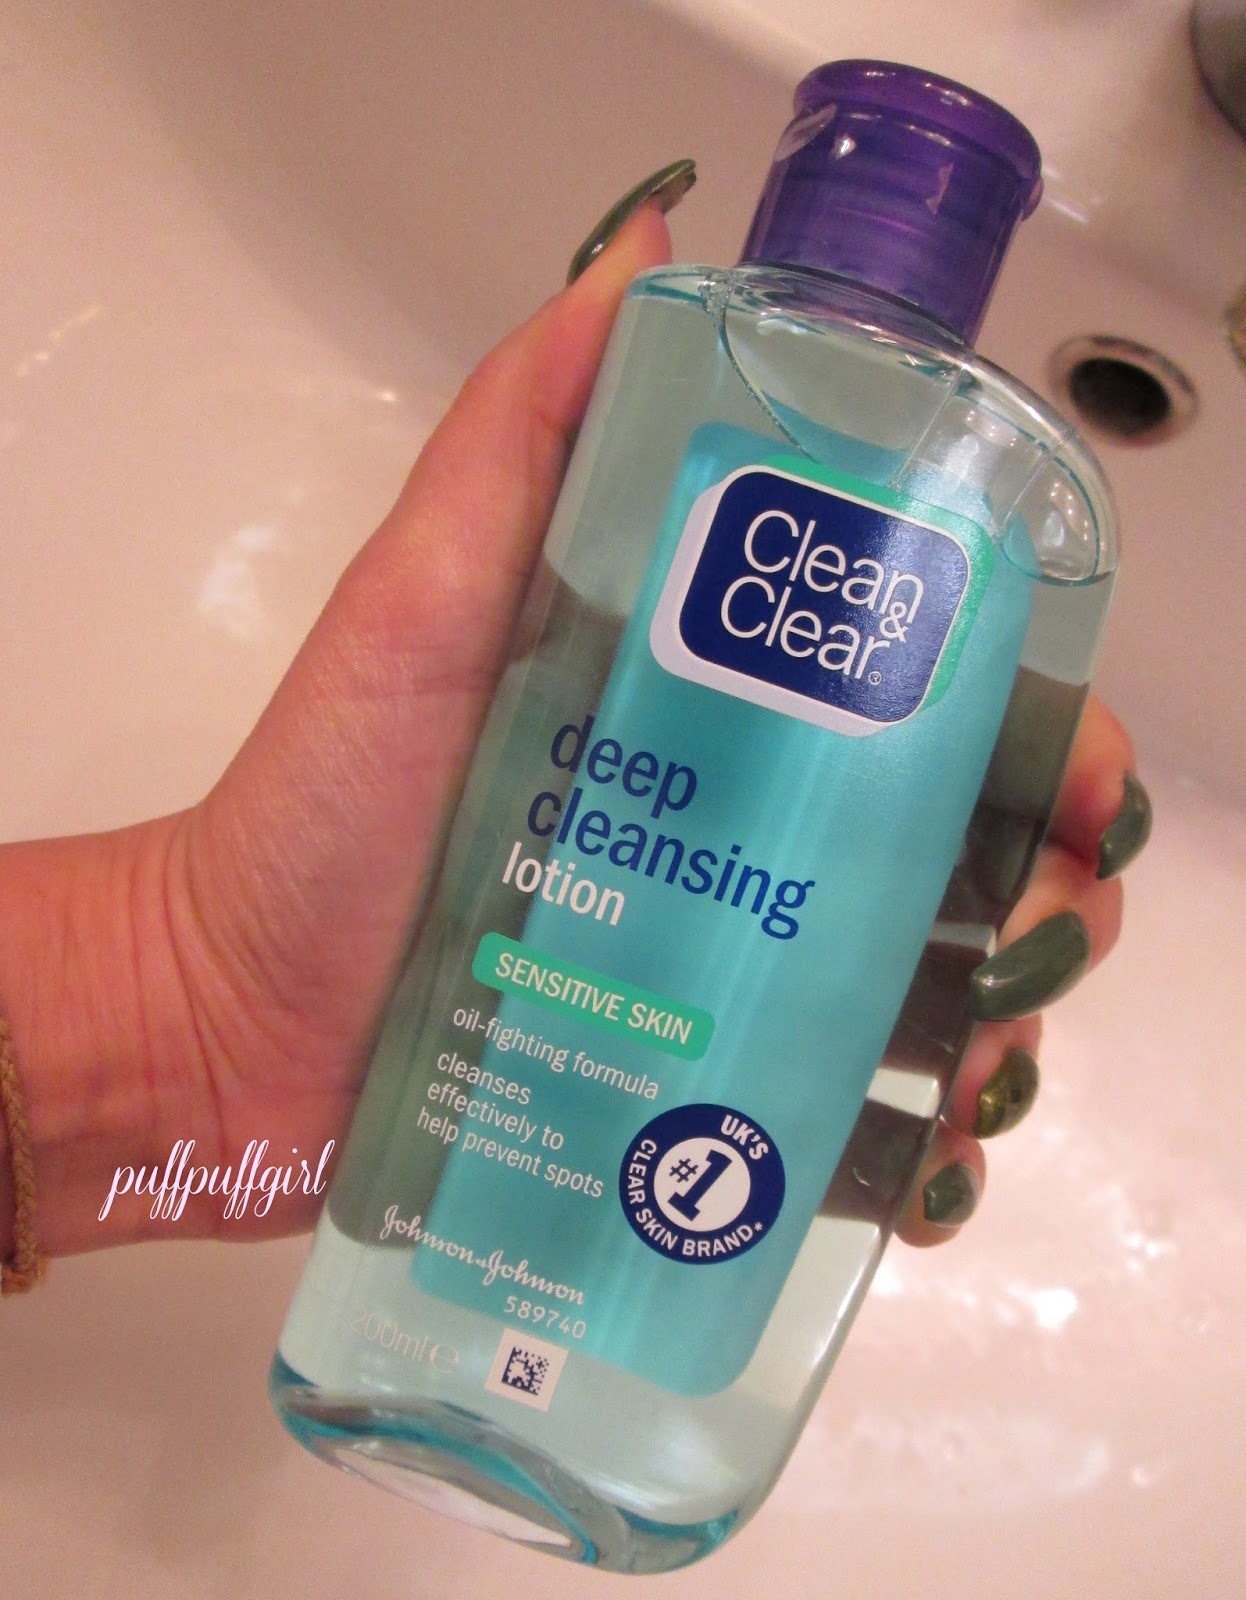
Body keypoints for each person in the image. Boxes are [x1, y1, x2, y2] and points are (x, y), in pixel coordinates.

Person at [0, 170, 1151, 1294]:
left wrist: (197, 1009)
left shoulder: (1009, 480)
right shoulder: (702, 342)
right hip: (482, 1076)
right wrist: (201, 996)